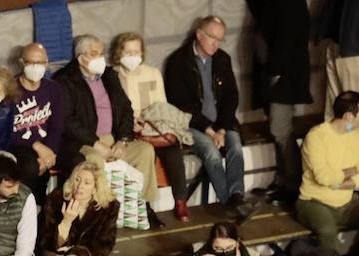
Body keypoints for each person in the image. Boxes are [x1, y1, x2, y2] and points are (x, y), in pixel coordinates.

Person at [56, 34, 160, 209]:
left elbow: (126, 108)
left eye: (102, 53)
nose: (100, 58)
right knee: (95, 162)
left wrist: (123, 140)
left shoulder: (109, 75)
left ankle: (142, 205)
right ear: (81, 59)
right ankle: (102, 210)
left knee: (145, 151)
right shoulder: (64, 80)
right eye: (95, 54)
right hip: (86, 143)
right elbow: (67, 121)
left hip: (113, 139)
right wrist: (97, 145)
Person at [112, 31, 198, 213]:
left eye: (136, 52)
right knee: (146, 153)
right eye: (128, 52)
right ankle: (146, 207)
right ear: (119, 53)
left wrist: (150, 122)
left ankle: (181, 201)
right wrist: (131, 123)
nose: (132, 56)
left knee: (173, 151)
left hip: (155, 126)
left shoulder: (153, 73)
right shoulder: (113, 77)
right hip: (129, 130)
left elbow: (162, 105)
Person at [164, 18, 244, 208]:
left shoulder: (222, 59)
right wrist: (210, 131)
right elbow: (182, 105)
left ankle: (237, 196)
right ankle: (229, 202)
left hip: (221, 124)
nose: (215, 43)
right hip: (192, 124)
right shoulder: (179, 62)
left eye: (220, 39)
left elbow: (231, 97)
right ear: (199, 35)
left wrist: (222, 130)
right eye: (212, 37)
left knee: (236, 147)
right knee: (211, 152)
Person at [242, 2, 313, 200]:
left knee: (280, 129)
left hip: (283, 75)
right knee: (278, 130)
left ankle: (292, 183)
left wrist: (276, 71)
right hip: (274, 72)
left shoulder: (290, 6)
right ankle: (283, 180)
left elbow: (288, 38)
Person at [297, 91, 359, 252]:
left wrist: (349, 183)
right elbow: (324, 177)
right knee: (328, 231)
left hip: (347, 201)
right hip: (315, 201)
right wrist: (350, 171)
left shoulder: (356, 135)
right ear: (348, 117)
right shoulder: (317, 136)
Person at [38, 161, 119, 256]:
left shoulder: (109, 207)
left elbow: (105, 244)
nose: (80, 186)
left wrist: (75, 255)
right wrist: (66, 222)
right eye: (77, 180)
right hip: (59, 251)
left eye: (87, 183)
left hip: (89, 253)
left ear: (95, 188)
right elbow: (46, 240)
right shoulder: (56, 200)